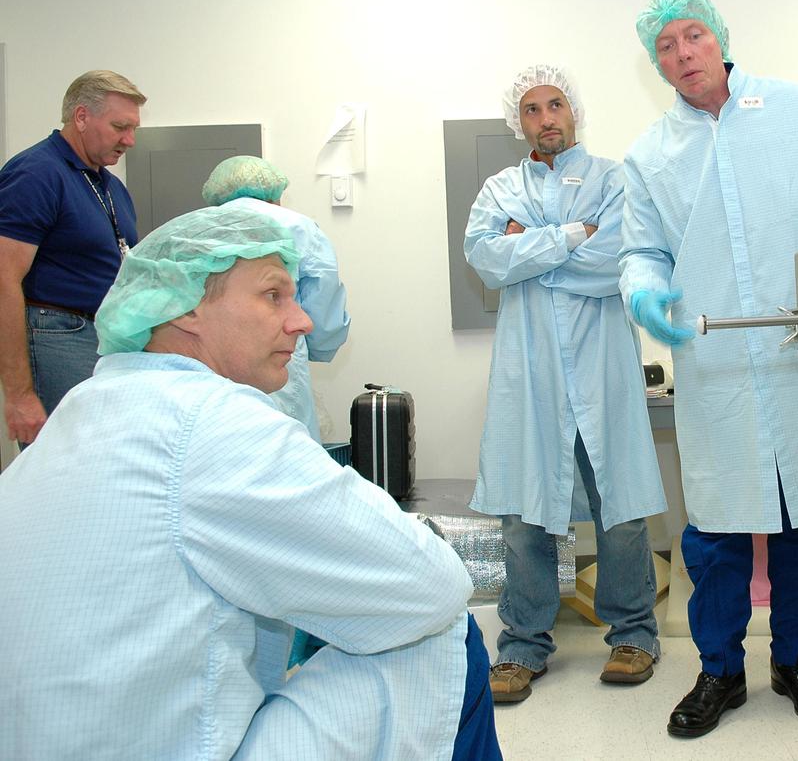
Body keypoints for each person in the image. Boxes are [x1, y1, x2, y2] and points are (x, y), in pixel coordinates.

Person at [0, 207, 502, 761]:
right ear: (186, 307)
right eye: (273, 295)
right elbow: (432, 585)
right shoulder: (212, 423)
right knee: (443, 635)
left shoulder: (81, 413)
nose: (302, 321)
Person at [620, 0, 798, 738]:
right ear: (657, 65)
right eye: (666, 46)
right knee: (716, 534)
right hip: (715, 360)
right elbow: (640, 250)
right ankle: (721, 671)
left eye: (692, 35)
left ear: (719, 37)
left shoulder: (795, 108)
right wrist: (643, 292)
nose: (683, 52)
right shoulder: (650, 155)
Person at [464, 64, 667, 704]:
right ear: (518, 122)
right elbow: (486, 259)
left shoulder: (614, 180)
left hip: (603, 368)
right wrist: (576, 236)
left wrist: (532, 249)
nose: (546, 117)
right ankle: (522, 645)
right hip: (530, 374)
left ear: (573, 110)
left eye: (555, 104)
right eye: (531, 109)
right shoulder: (499, 188)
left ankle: (634, 635)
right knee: (524, 514)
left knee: (620, 508)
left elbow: (615, 263)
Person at [0, 69, 146, 444]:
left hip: (102, 339)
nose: (129, 140)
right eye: (119, 127)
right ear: (81, 117)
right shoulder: (37, 174)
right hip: (58, 336)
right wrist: (19, 395)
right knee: (65, 457)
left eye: (133, 129)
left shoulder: (109, 186)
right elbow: (3, 279)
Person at [201, 155, 350, 442]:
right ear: (274, 194)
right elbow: (323, 307)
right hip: (279, 355)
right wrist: (319, 346)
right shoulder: (299, 226)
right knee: (285, 443)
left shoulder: (198, 228)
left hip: (213, 358)